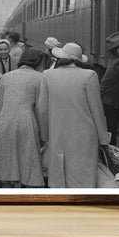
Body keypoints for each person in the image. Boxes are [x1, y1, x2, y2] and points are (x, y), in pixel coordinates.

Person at [36, 42, 110, 188]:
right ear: (78, 60)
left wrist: (44, 136)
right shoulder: (89, 76)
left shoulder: (47, 75)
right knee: (83, 177)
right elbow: (97, 110)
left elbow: (42, 109)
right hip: (84, 137)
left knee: (59, 176)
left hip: (57, 135)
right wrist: (103, 139)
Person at [0, 48, 45, 187]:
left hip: (5, 122)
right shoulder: (40, 78)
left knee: (7, 166)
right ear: (38, 62)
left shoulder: (6, 77)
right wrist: (43, 135)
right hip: (27, 123)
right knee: (29, 168)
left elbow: (1, 104)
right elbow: (41, 109)